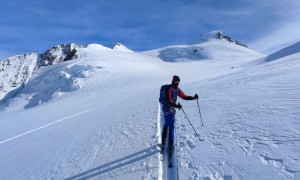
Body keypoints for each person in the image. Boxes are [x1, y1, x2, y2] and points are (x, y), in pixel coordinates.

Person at [159, 75, 198, 160]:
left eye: (178, 81)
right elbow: (168, 100)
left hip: (170, 108)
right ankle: (170, 146)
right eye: (176, 81)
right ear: (173, 81)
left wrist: (193, 98)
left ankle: (163, 141)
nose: (177, 83)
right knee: (172, 127)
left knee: (167, 124)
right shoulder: (169, 88)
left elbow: (183, 96)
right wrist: (176, 106)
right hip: (168, 108)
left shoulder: (176, 89)